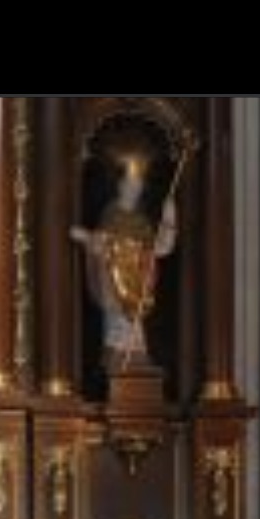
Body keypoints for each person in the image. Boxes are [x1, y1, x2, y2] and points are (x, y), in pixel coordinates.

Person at [71, 154, 177, 368]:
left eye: (138, 187)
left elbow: (160, 249)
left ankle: (133, 356)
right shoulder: (111, 214)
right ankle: (118, 353)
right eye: (130, 185)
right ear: (120, 186)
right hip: (115, 283)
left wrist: (169, 219)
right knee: (117, 327)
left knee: (135, 331)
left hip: (137, 286)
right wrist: (88, 238)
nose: (134, 191)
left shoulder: (142, 222)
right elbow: (101, 245)